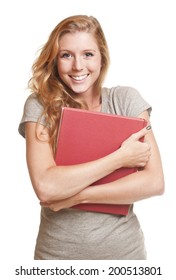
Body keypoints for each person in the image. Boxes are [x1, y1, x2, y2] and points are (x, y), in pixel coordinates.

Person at [18, 15, 164, 260]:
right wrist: (120, 159)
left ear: (102, 58)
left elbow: (154, 182)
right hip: (57, 258)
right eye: (66, 55)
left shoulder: (125, 100)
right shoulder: (40, 105)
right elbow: (46, 187)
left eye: (88, 54)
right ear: (55, 60)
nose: (77, 66)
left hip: (125, 258)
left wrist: (75, 196)